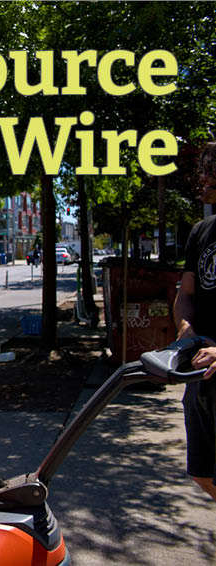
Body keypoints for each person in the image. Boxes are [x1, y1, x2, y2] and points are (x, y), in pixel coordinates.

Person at [173, 141, 216, 502]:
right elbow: (186, 294)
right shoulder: (202, 232)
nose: (201, 177)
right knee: (203, 474)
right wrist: (186, 331)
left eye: (209, 169)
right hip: (200, 378)